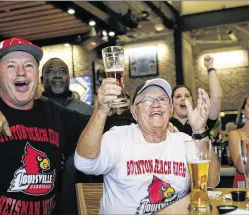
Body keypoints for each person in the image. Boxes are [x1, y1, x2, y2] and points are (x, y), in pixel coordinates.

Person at [74, 78, 220, 214]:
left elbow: (212, 181)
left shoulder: (183, 142)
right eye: (147, 100)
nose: (156, 104)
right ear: (134, 112)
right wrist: (101, 110)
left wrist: (199, 131)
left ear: (170, 110)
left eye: (162, 99)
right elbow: (83, 162)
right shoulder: (119, 138)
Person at [0, 38, 91, 215]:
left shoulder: (55, 113)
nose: (21, 72)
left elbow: (101, 126)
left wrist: (105, 107)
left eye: (28, 65)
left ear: (36, 75)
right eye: (11, 65)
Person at [40, 58, 94, 214]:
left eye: (63, 72)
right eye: (51, 71)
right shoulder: (32, 109)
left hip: (77, 189)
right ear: (41, 79)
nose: (57, 76)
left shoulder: (87, 111)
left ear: (69, 78)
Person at [170, 55, 223, 136]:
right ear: (172, 103)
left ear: (193, 102)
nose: (183, 98)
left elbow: (217, 98)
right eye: (178, 96)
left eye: (187, 96)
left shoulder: (202, 120)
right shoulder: (166, 125)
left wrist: (210, 67)